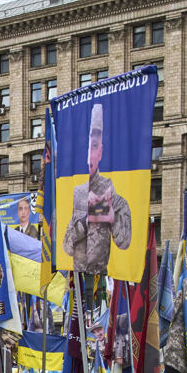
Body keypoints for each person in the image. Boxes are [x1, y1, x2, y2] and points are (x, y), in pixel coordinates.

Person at [63, 103, 132, 275]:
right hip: (76, 282)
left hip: (104, 280)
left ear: (100, 152)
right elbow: (66, 247)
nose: (89, 155)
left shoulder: (113, 194)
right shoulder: (76, 192)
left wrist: (111, 218)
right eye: (86, 147)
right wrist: (88, 220)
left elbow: (124, 243)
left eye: (94, 146)